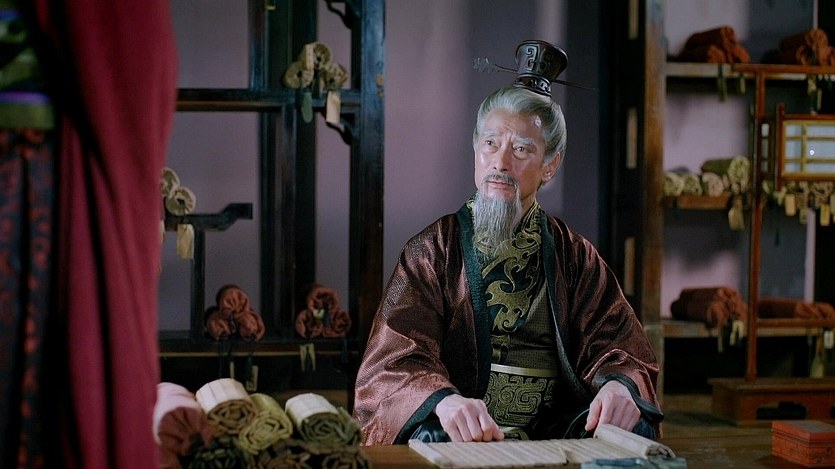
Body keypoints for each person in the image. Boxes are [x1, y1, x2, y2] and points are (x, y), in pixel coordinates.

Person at [353, 40, 662, 445]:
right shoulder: (432, 251)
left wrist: (619, 385)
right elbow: (392, 358)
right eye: (490, 143)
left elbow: (620, 344)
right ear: (475, 150)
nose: (500, 162)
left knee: (629, 422)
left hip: (556, 428)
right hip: (464, 427)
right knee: (429, 433)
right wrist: (443, 401)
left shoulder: (574, 256)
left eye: (521, 149)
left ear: (550, 165)